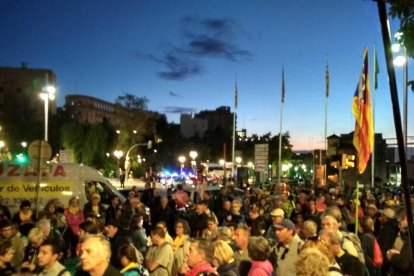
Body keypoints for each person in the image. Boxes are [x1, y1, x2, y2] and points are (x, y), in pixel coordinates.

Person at [386, 206, 413, 276]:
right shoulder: (406, 235)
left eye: (401, 219)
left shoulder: (411, 237)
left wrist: (392, 255)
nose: (399, 223)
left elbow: (404, 264)